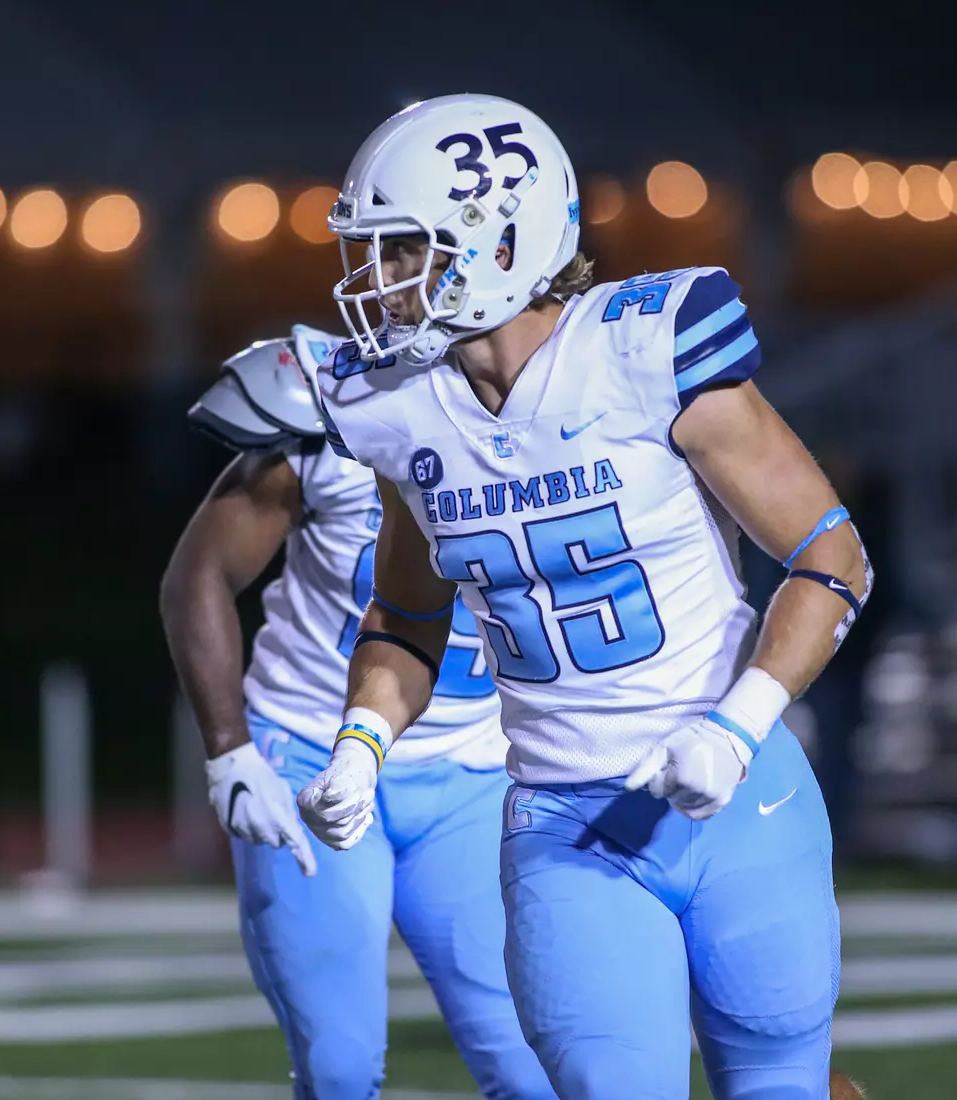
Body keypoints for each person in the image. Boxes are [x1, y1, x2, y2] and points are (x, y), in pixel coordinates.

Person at [296, 95, 872, 1100]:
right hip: (567, 822)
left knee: (780, 1079)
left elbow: (832, 556)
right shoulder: (394, 405)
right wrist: (361, 738)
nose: (376, 280)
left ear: (500, 241)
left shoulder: (645, 352)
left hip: (742, 796)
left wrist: (737, 725)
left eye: (402, 249)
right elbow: (408, 614)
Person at [160, 327, 554, 1099]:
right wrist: (231, 751)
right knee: (340, 1067)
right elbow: (198, 573)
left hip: (470, 770)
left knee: (531, 1065)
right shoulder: (342, 410)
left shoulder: (567, 414)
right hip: (310, 750)